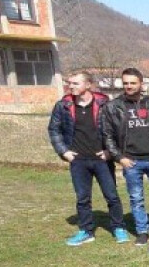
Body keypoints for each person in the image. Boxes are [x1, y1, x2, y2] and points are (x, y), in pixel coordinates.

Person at [48, 70, 127, 246]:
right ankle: (86, 231)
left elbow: (119, 130)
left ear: (88, 84)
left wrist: (109, 151)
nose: (71, 86)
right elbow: (54, 130)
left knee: (112, 196)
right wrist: (64, 152)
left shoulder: (105, 104)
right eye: (69, 83)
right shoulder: (63, 105)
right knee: (82, 198)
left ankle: (118, 227)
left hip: (102, 160)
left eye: (75, 83)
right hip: (78, 161)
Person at [101, 67, 149, 246]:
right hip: (130, 160)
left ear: (141, 83)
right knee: (136, 198)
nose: (129, 86)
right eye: (125, 83)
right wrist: (119, 158)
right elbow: (107, 135)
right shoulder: (112, 106)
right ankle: (142, 231)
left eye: (133, 83)